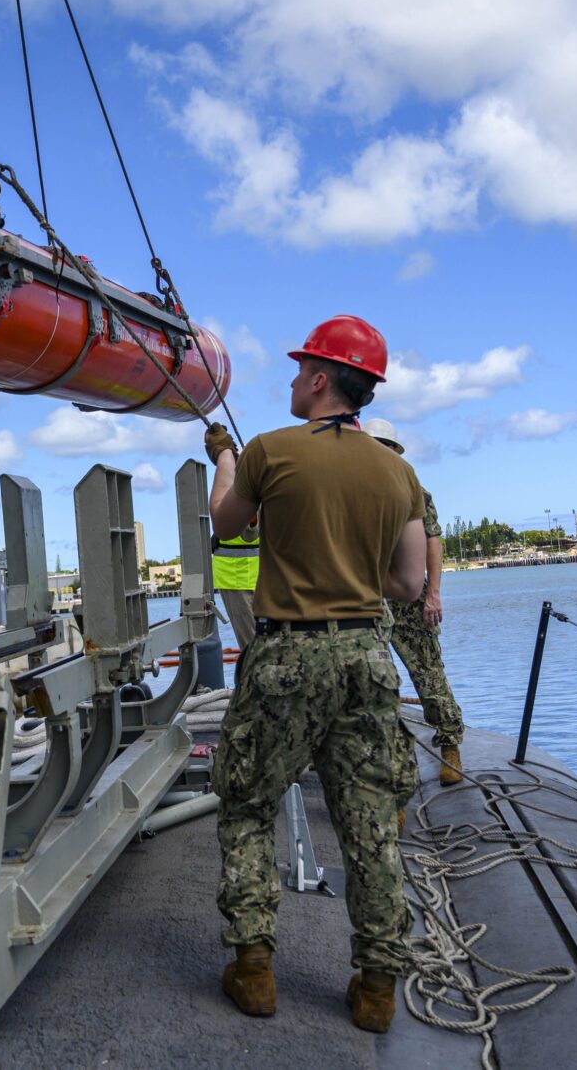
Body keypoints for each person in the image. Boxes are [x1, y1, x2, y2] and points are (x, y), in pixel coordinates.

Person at [203, 314, 426, 1034]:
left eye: (301, 370)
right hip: (365, 657)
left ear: (323, 379)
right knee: (369, 824)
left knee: (246, 800)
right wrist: (352, 579)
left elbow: (228, 525)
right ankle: (376, 987)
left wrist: (226, 462)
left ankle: (256, 967)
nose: (293, 380)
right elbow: (410, 580)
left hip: (287, 656)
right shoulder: (399, 472)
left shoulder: (271, 450)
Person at [363, 418, 464, 786]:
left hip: (407, 597)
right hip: (367, 597)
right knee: (373, 682)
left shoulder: (414, 492)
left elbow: (433, 542)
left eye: (383, 447)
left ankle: (450, 743)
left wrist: (433, 594)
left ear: (394, 452)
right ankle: (387, 767)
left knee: (427, 674)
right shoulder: (352, 490)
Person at [212, 518, 259, 651]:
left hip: (241, 577)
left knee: (252, 647)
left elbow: (251, 532)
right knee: (255, 645)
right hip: (239, 577)